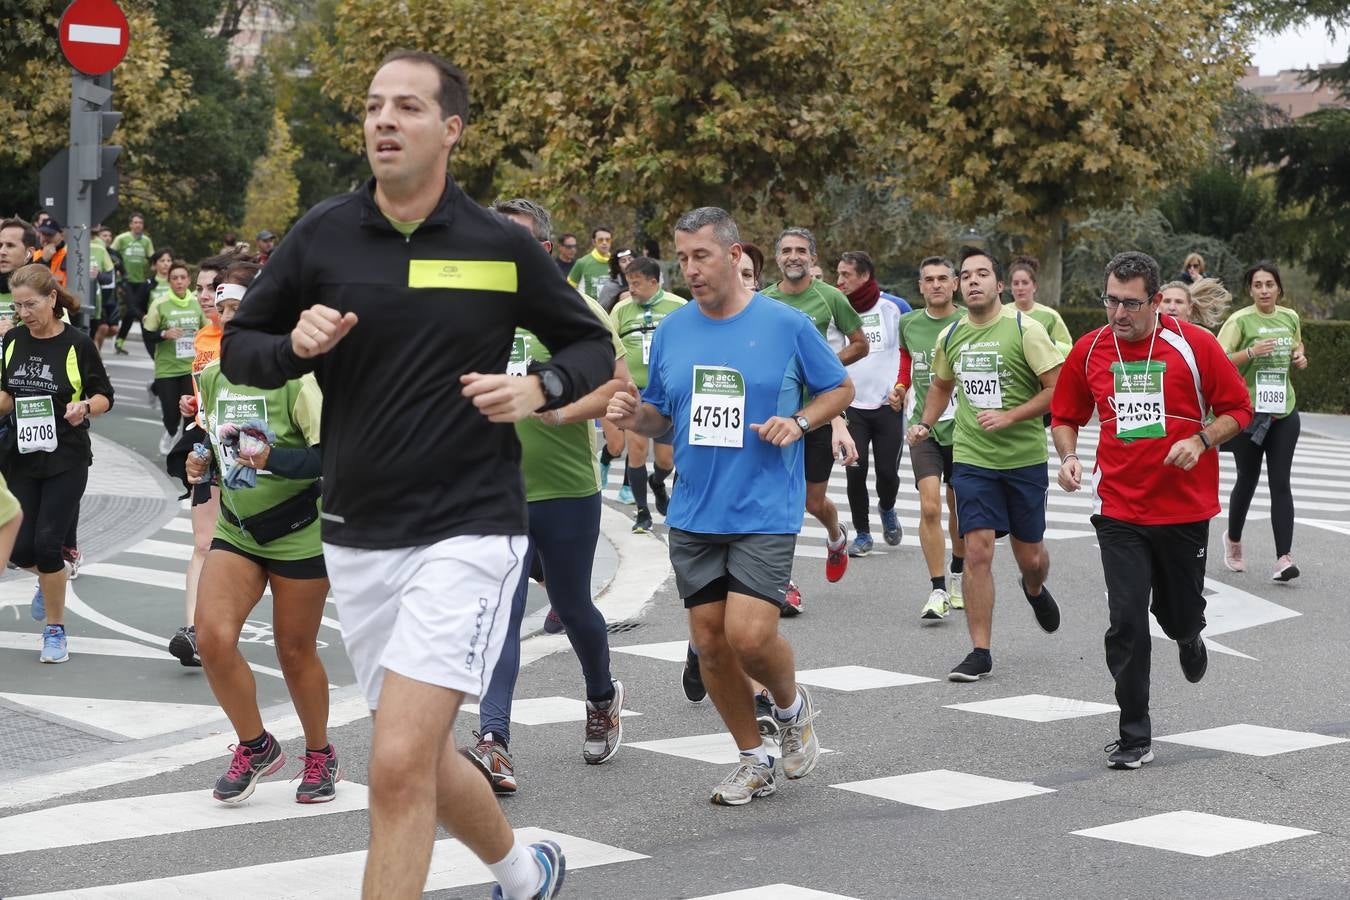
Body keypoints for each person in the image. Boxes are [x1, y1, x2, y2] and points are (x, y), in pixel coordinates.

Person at [220, 50, 613, 900]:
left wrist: (538, 385)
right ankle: (523, 870)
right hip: (358, 533)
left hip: (471, 526)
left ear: (452, 130)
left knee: (394, 762)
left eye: (406, 107)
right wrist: (294, 346)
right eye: (373, 107)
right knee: (423, 754)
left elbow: (591, 345)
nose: (383, 121)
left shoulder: (497, 245)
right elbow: (243, 349)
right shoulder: (322, 234)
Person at [607, 206, 852, 806]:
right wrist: (631, 414)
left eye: (702, 256)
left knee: (748, 635)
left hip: (764, 504)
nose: (690, 269)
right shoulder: (672, 330)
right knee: (710, 643)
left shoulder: (786, 325)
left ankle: (791, 709)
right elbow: (662, 414)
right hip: (693, 508)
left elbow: (838, 387)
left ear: (735, 254)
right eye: (682, 258)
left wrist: (799, 422)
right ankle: (754, 756)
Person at [1052, 251, 1252, 769]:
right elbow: (1065, 414)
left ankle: (1189, 634)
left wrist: (1202, 441)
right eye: (1111, 301)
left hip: (1183, 508)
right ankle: (1134, 733)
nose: (1118, 314)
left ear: (1157, 300)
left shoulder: (1194, 345)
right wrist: (1069, 456)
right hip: (1118, 507)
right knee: (1126, 620)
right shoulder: (1090, 349)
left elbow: (1239, 409)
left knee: (1176, 612)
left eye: (1131, 303)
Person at [461, 197, 629, 794]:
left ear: (544, 248)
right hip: (491, 487)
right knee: (501, 611)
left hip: (563, 486)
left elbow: (618, 384)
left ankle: (603, 695)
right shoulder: (470, 308)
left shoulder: (573, 308)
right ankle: (494, 740)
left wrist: (557, 412)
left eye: (519, 239)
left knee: (572, 604)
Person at [184, 263, 339, 803]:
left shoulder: (299, 379)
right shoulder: (212, 375)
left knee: (294, 652)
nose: (229, 320)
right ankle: (255, 745)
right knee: (211, 639)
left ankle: (320, 754)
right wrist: (200, 459)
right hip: (239, 528)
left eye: (239, 312)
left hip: (298, 530)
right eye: (223, 311)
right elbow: (213, 435)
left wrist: (272, 457)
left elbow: (328, 458)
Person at [908, 247, 1064, 682]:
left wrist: (1012, 416)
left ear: (999, 285)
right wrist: (924, 422)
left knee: (1030, 556)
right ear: (960, 285)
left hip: (1023, 459)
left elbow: (1057, 389)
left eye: (983, 274)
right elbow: (940, 385)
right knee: (977, 549)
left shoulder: (1025, 329)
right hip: (973, 457)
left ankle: (1033, 588)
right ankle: (980, 651)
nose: (973, 281)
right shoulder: (951, 335)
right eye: (967, 275)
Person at [0, 264, 113, 664]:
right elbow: (7, 396)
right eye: (17, 306)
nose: (24, 313)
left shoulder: (78, 343)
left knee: (48, 544)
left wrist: (84, 406)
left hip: (66, 455)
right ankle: (51, 578)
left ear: (51, 298)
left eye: (31, 304)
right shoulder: (12, 340)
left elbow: (104, 395)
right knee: (20, 548)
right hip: (20, 456)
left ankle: (55, 631)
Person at [762, 227, 864, 606]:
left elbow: (860, 344)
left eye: (801, 250)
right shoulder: (764, 300)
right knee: (780, 499)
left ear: (812, 258)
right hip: (777, 416)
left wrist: (821, 368)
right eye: (786, 250)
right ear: (777, 258)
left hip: (818, 413)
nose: (793, 256)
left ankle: (836, 534)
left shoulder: (830, 296)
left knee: (811, 501)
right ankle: (783, 583)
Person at [167, 254, 240, 667]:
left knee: (248, 548)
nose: (203, 296)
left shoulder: (252, 339)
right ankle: (194, 632)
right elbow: (205, 397)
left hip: (251, 450)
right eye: (198, 288)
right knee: (202, 542)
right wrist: (192, 404)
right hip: (206, 445)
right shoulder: (202, 340)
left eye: (210, 288)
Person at [1217, 261, 1308, 582]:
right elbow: (1220, 360)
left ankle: (1284, 557)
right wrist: (1251, 353)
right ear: (1251, 290)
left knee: (1280, 482)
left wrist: (1300, 355)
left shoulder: (1289, 317)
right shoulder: (1239, 320)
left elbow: (1297, 344)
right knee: (1248, 479)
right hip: (1248, 412)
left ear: (1279, 288)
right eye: (1258, 285)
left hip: (1284, 411)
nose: (1265, 290)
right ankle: (1234, 539)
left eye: (1270, 284)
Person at [893, 257, 966, 620]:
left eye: (942, 279)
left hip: (966, 431)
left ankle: (957, 573)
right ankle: (937, 588)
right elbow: (907, 362)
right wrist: (900, 386)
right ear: (920, 286)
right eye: (928, 279)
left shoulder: (969, 322)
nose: (936, 284)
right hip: (924, 427)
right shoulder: (908, 323)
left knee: (959, 508)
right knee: (930, 506)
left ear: (954, 284)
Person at [834, 250, 908, 556]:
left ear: (864, 276)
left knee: (888, 473)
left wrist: (902, 388)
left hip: (888, 406)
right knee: (855, 470)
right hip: (852, 406)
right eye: (837, 275)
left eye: (846, 275)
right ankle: (862, 533)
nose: (839, 281)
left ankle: (887, 508)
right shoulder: (836, 308)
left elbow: (909, 353)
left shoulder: (895, 307)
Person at [610, 255, 684, 532]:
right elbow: (609, 346)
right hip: (635, 392)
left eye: (638, 284)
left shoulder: (678, 306)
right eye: (629, 283)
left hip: (665, 394)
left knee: (666, 460)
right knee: (637, 449)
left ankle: (658, 481)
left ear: (654, 282)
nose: (632, 289)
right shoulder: (621, 309)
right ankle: (642, 512)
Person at [144, 258, 206, 455]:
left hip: (191, 367)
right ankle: (170, 432)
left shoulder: (197, 303)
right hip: (167, 368)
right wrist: (164, 334)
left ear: (189, 281)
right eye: (174, 278)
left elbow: (208, 330)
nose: (179, 281)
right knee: (171, 415)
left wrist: (199, 337)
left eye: (182, 278)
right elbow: (148, 334)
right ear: (169, 281)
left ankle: (185, 451)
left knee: (190, 413)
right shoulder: (160, 304)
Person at [1006, 256, 1072, 356]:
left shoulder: (1050, 315)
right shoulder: (1001, 313)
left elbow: (1069, 350)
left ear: (1034, 286)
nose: (1020, 288)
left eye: (1025, 283)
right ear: (1011, 287)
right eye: (1016, 283)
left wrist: (1049, 342)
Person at [112, 213, 154, 356]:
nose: (138, 225)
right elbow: (111, 253)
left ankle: (120, 342)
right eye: (135, 222)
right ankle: (148, 339)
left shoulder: (146, 241)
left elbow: (152, 259)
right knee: (132, 310)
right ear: (130, 224)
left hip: (141, 281)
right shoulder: (122, 239)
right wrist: (117, 269)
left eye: (140, 223)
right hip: (126, 281)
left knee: (134, 312)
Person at [0, 218, 41, 328]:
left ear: (29, 253)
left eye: (10, 245)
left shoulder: (45, 291)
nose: (2, 252)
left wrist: (17, 335)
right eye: (0, 245)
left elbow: (60, 341)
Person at [1159, 277, 1231, 329]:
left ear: (1190, 308)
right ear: (1157, 306)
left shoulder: (1204, 336)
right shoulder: (1149, 334)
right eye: (1166, 301)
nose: (1172, 307)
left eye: (1179, 302)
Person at [568, 225, 613, 298]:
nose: (604, 243)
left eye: (608, 240)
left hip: (611, 309)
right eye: (600, 240)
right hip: (588, 308)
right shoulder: (582, 262)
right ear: (594, 242)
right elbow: (568, 289)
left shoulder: (616, 263)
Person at [596, 247, 634, 312]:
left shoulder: (644, 281)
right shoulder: (610, 286)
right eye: (623, 261)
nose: (628, 263)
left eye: (630, 259)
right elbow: (600, 310)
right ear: (618, 266)